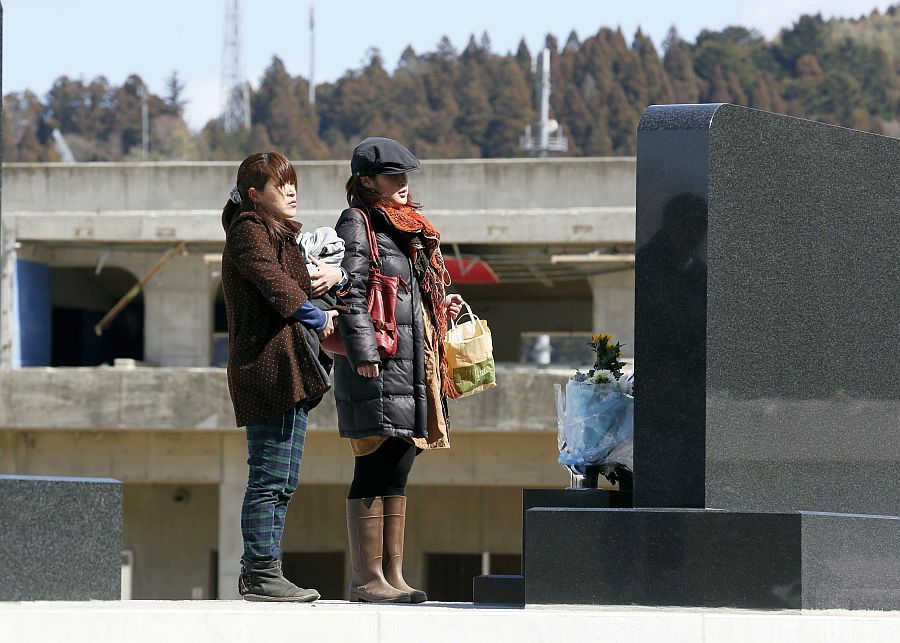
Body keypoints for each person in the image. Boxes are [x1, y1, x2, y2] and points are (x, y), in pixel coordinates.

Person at [332, 137, 464, 603]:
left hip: (410, 362)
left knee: (400, 463)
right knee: (374, 463)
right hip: (378, 362)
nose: (403, 185)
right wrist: (364, 351)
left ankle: (392, 575)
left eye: (405, 176)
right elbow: (350, 291)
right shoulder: (357, 221)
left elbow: (405, 292)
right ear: (366, 181)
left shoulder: (406, 229)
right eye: (393, 176)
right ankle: (366, 580)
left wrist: (437, 304)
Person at [221, 151, 346, 602]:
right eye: (280, 185)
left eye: (292, 182)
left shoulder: (276, 233)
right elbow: (277, 287)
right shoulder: (248, 231)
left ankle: (264, 572)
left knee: (282, 482)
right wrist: (320, 318)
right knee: (269, 479)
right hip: (267, 372)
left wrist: (332, 280)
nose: (291, 191)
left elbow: (295, 282)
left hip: (286, 371)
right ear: (255, 194)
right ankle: (260, 573)